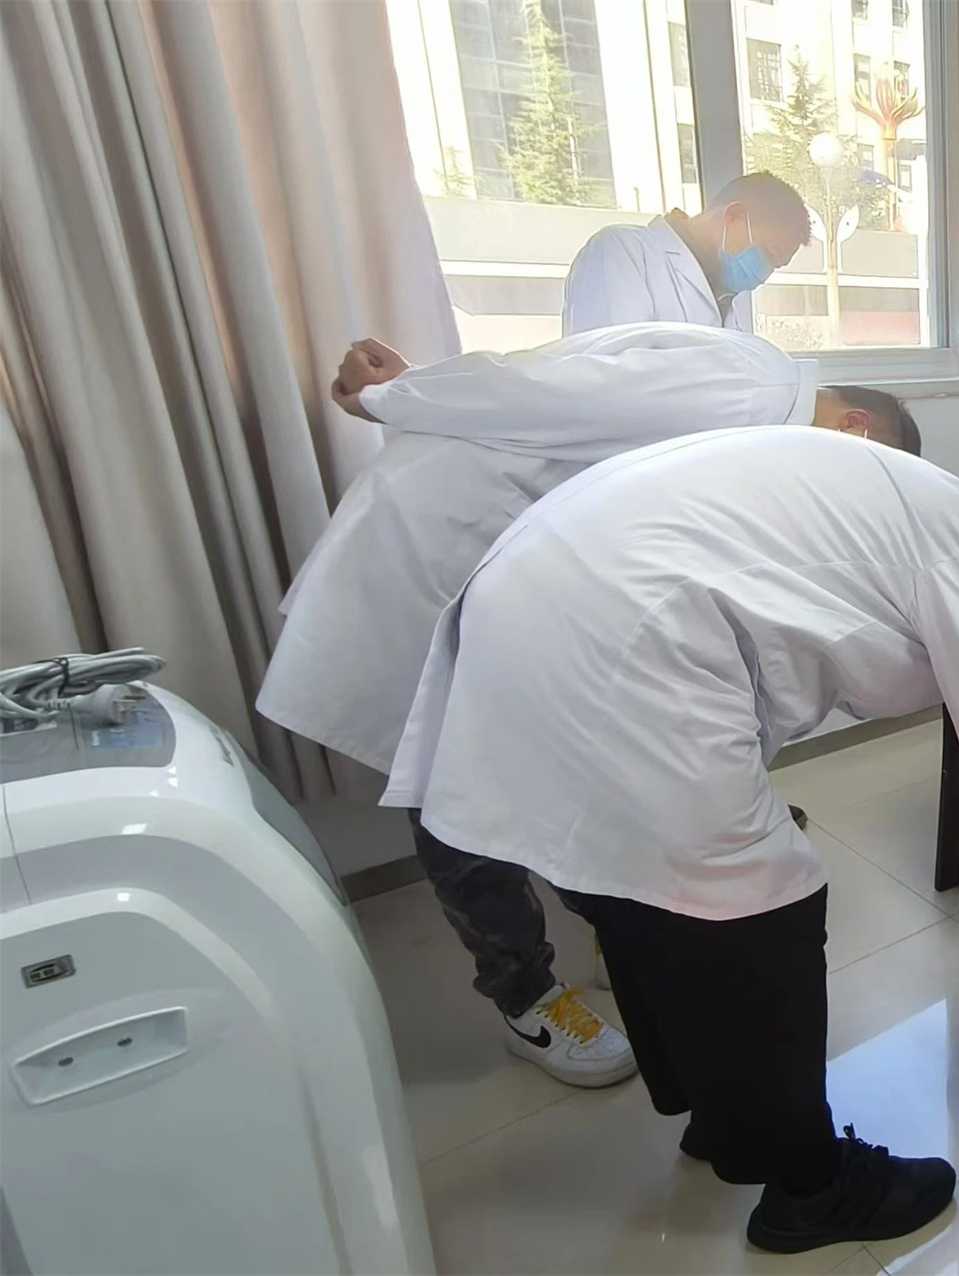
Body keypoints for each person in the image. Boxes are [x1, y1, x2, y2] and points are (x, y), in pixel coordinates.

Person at [379, 427, 959, 1252]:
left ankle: (716, 1111)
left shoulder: (934, 516)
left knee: (638, 886)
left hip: (540, 583)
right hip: (627, 622)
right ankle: (811, 1188)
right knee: (763, 902)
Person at [257, 324, 916, 1087]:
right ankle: (527, 999)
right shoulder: (755, 388)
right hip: (443, 558)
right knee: (451, 789)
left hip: (518, 571)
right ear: (854, 429)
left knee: (564, 762)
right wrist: (395, 395)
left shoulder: (756, 412)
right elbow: (542, 393)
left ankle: (618, 933)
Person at [562, 171, 811, 334]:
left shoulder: (722, 298)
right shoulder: (623, 252)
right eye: (769, 253)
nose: (763, 274)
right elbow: (611, 372)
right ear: (734, 216)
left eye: (775, 266)